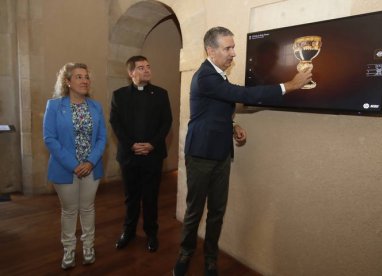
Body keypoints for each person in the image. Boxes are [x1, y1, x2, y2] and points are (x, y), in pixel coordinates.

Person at [173, 27, 312, 276]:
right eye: (228, 48)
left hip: (222, 154)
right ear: (211, 51)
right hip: (201, 154)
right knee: (195, 211)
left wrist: (233, 124)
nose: (233, 53)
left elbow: (214, 109)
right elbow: (241, 94)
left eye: (233, 47)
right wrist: (288, 86)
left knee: (217, 211)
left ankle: (211, 259)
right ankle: (185, 254)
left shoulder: (218, 75)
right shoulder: (206, 76)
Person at [43, 62, 107, 270]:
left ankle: (88, 246)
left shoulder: (96, 106)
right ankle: (69, 249)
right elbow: (50, 139)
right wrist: (73, 164)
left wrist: (89, 162)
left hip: (91, 168)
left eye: (86, 77)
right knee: (69, 211)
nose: (84, 80)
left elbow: (102, 138)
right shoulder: (54, 106)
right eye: (79, 76)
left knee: (88, 208)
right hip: (64, 168)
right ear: (67, 81)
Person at [110, 55, 172, 252]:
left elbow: (166, 122)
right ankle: (128, 232)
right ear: (131, 73)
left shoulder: (161, 94)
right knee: (131, 197)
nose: (146, 70)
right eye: (141, 67)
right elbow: (116, 124)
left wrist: (152, 144)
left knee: (151, 196)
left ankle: (151, 233)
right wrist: (131, 145)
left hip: (152, 155)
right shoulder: (119, 95)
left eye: (148, 66)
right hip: (129, 156)